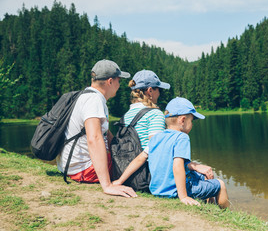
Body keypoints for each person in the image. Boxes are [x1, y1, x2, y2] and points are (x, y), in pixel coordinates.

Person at [56, 59, 137, 197]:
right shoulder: (94, 101)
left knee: (132, 158)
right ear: (110, 81)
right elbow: (94, 138)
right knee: (135, 163)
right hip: (83, 169)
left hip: (71, 166)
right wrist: (107, 186)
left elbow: (103, 132)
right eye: (118, 80)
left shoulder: (85, 95)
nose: (119, 84)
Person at [147, 97, 230, 208]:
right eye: (191, 120)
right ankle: (224, 214)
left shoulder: (156, 138)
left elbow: (153, 161)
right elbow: (177, 166)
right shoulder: (182, 137)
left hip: (158, 191)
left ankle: (209, 207)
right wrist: (183, 197)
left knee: (203, 175)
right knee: (220, 184)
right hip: (175, 192)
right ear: (182, 120)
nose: (192, 124)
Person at [112, 70, 170, 186]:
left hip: (124, 172)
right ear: (150, 91)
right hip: (146, 177)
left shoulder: (126, 115)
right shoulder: (155, 114)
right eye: (159, 89)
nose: (159, 93)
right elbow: (154, 151)